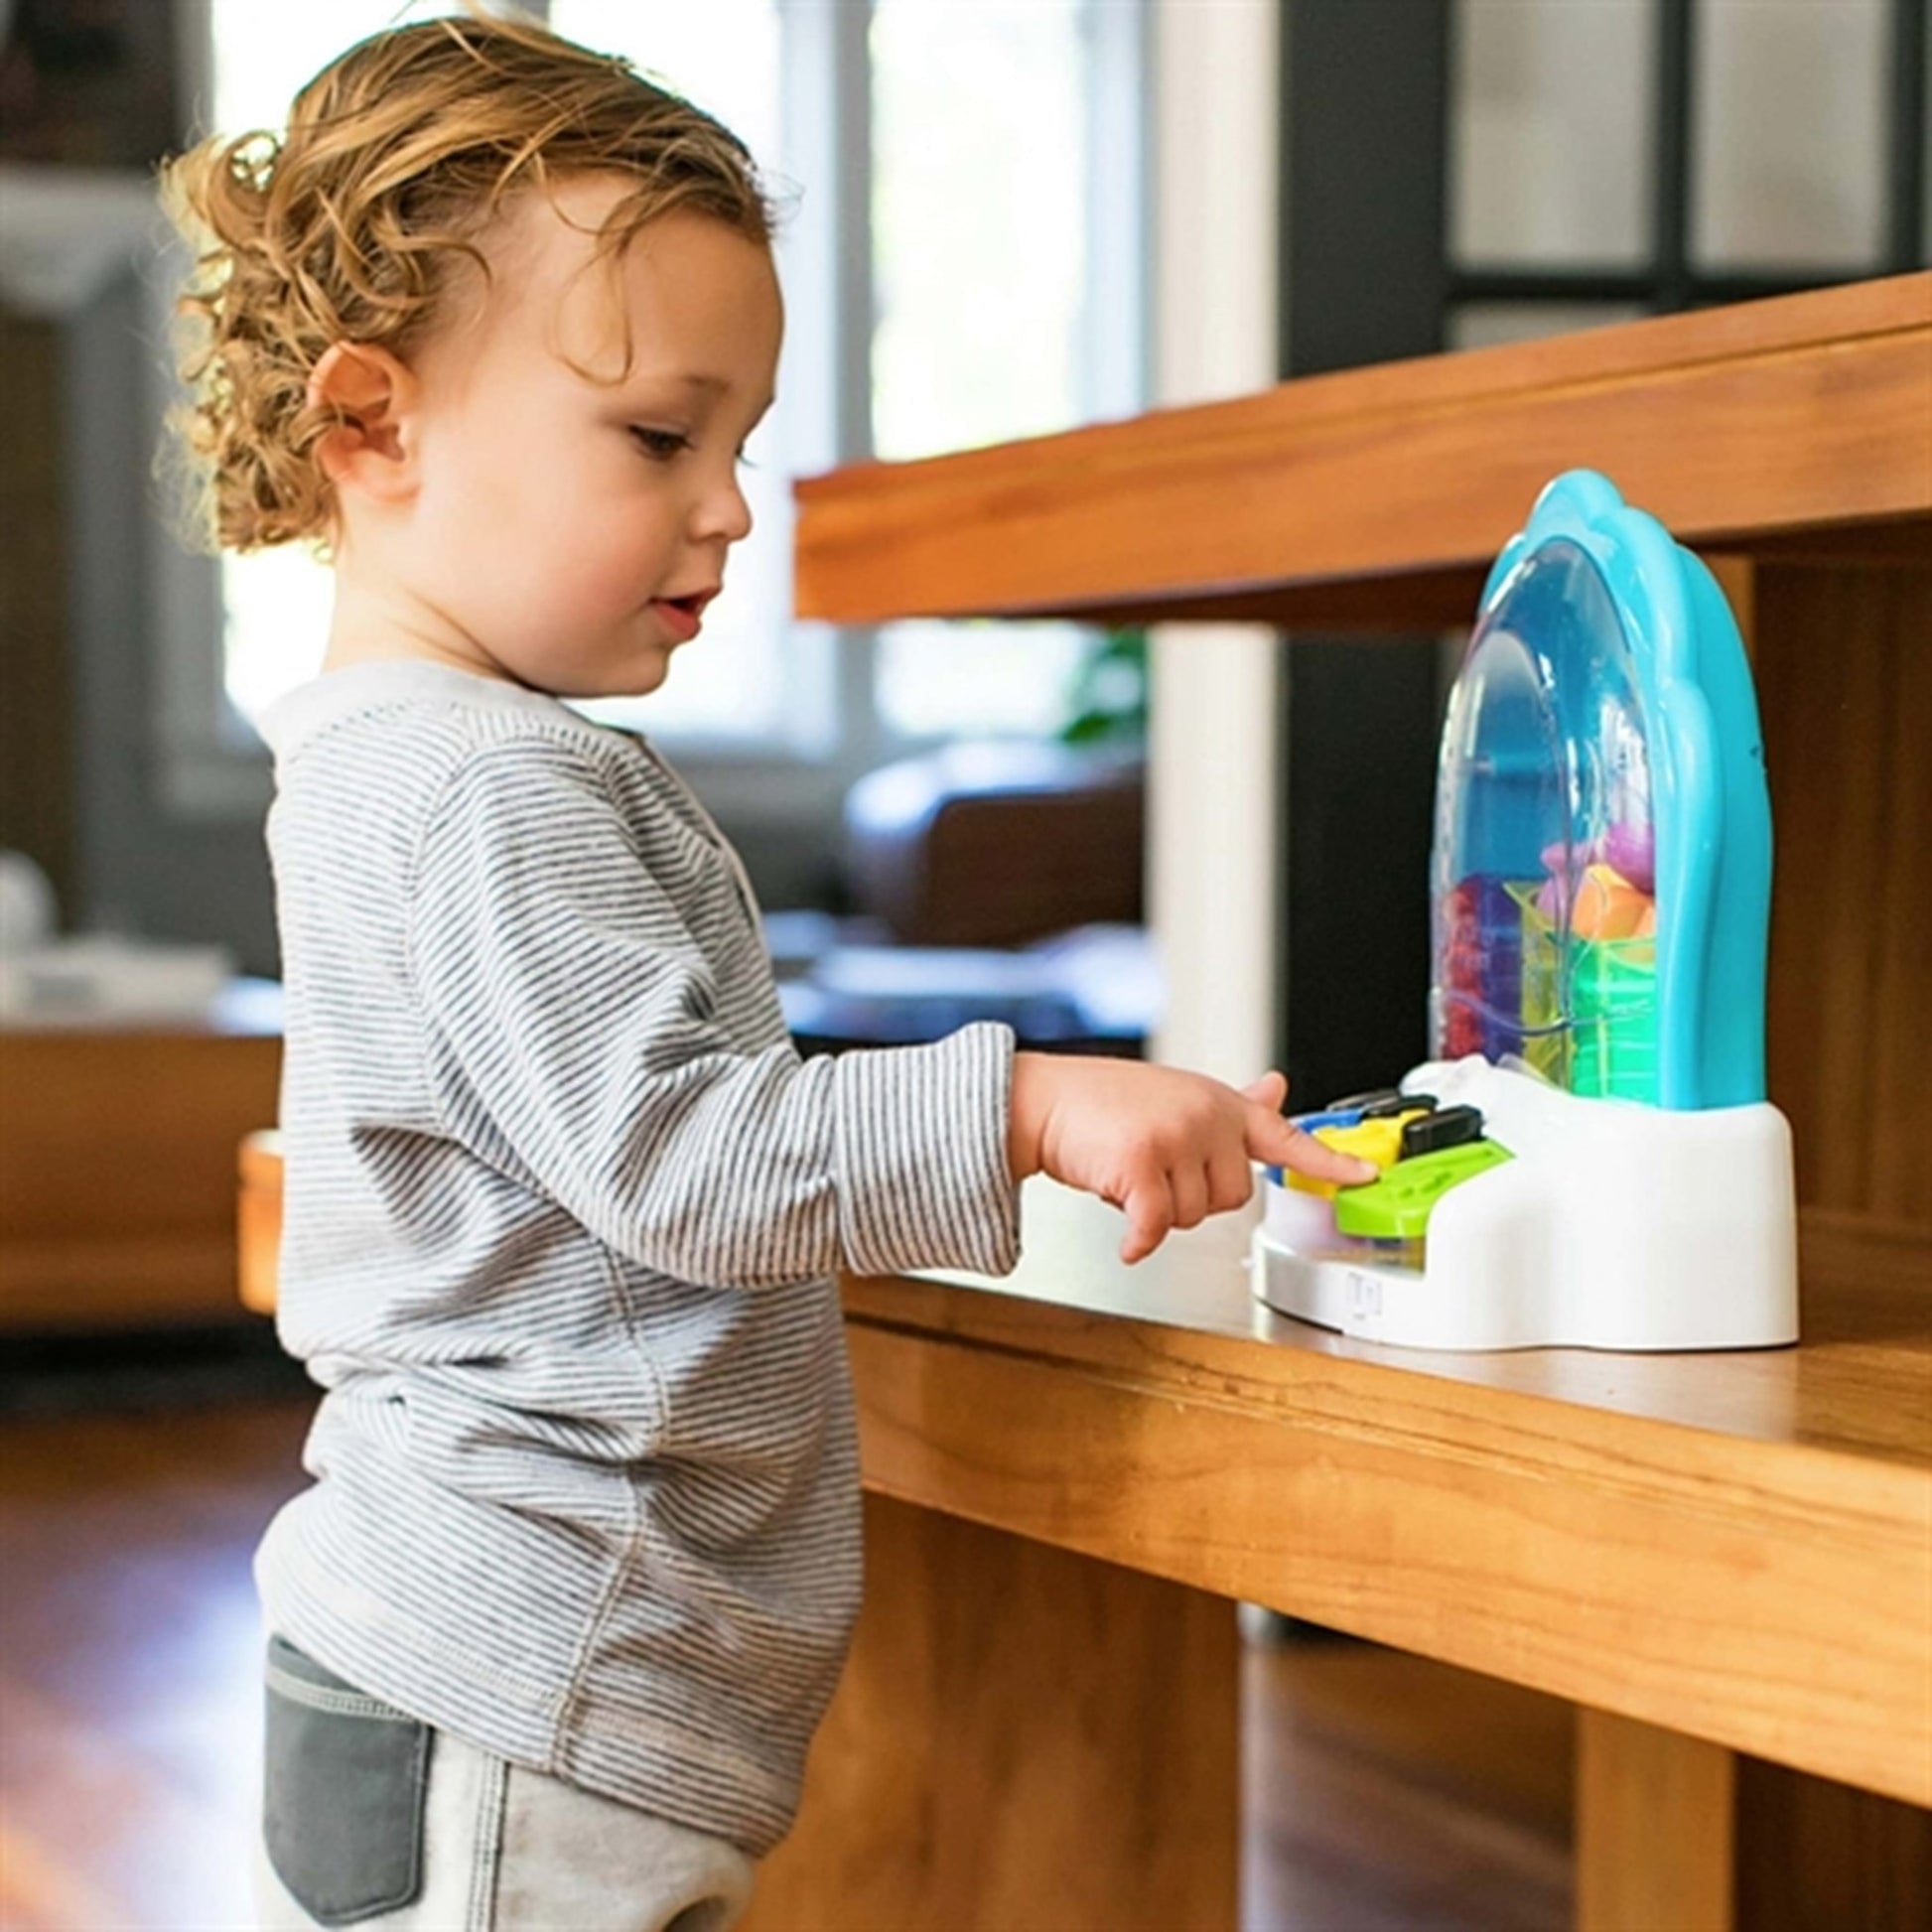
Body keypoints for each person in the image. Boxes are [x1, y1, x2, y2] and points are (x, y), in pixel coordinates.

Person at [162, 10, 1372, 1927]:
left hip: (502, 1670)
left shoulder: (408, 755)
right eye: (660, 435)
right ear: (372, 422)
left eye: (738, 440)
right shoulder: (484, 783)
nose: (726, 502)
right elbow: (679, 1156)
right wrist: (1026, 1099)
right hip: (520, 1681)